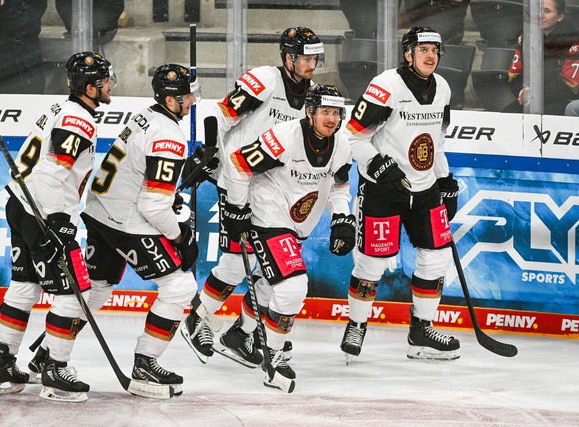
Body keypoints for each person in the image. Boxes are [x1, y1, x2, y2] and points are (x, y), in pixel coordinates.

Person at [180, 26, 325, 365]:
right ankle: (197, 319)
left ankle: (239, 334)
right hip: (239, 180)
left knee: (268, 274)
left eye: (315, 57)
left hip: (276, 192)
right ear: (288, 57)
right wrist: (212, 149)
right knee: (233, 263)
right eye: (305, 57)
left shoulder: (315, 96)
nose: (311, 63)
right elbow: (220, 113)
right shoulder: (265, 80)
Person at [69, 64, 211, 397]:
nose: (193, 100)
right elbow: (152, 207)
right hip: (124, 221)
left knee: (98, 289)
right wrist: (181, 237)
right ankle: (146, 363)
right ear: (171, 99)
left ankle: (49, 353)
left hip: (99, 211)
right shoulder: (169, 135)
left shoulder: (145, 115)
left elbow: (139, 175)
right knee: (179, 287)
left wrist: (179, 178)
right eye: (187, 94)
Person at [0, 51, 115, 402]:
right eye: (105, 80)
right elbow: (52, 172)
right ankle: (55, 371)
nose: (109, 85)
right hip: (43, 212)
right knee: (77, 291)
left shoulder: (61, 109)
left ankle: (5, 365)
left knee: (24, 286)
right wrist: (59, 222)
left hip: (20, 203)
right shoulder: (78, 121)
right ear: (90, 87)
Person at [339, 27, 461, 362]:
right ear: (407, 54)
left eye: (435, 49)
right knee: (372, 262)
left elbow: (436, 142)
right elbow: (351, 138)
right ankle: (357, 324)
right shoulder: (385, 86)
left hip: (424, 189)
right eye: (422, 49)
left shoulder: (443, 88)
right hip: (383, 190)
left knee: (436, 258)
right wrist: (378, 165)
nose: (430, 55)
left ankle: (421, 330)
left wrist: (445, 178)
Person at [220, 83, 354, 386]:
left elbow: (339, 186)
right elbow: (239, 164)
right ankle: (274, 357)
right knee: (293, 285)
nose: (331, 118)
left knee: (270, 283)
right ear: (309, 112)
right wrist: (237, 209)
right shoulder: (283, 137)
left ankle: (239, 334)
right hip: (268, 215)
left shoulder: (342, 144)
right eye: (325, 112)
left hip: (299, 222)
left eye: (336, 112)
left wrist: (342, 218)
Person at [506, 0, 579, 115]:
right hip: (530, 99)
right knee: (507, 116)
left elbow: (569, 85)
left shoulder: (574, 40)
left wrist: (535, 94)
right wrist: (523, 92)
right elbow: (515, 74)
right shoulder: (525, 37)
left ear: (560, 16)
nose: (540, 15)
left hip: (562, 101)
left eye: (547, 11)